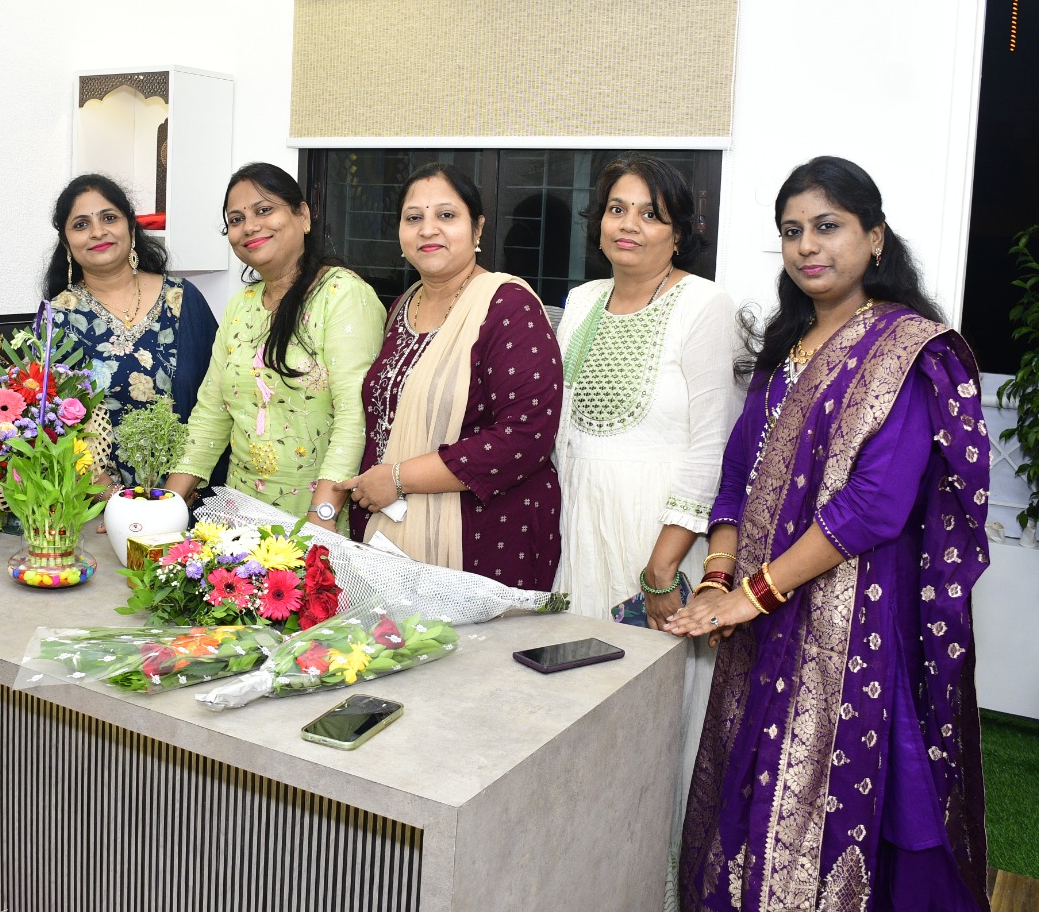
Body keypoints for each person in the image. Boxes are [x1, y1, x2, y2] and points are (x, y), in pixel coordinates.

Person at [666, 157, 991, 911]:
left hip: (853, 617)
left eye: (828, 226)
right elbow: (738, 472)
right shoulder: (786, 352)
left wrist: (754, 593)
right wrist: (718, 576)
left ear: (875, 238)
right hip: (756, 611)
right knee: (751, 782)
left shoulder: (906, 351)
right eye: (791, 231)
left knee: (839, 793)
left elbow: (875, 505)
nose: (808, 246)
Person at [549, 155, 743, 909]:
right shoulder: (583, 299)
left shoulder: (705, 304)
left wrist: (663, 569)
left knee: (657, 723)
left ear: (679, 232)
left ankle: (651, 886)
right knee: (579, 707)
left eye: (650, 213)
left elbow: (710, 443)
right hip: (582, 528)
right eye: (618, 209)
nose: (629, 225)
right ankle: (585, 873)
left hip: (659, 538)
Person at [342, 163, 563, 590]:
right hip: (394, 531)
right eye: (414, 218)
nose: (428, 229)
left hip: (486, 536)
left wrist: (398, 478)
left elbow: (525, 436)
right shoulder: (402, 306)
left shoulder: (508, 305)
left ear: (477, 230)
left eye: (446, 215)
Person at [165, 163, 385, 530]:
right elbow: (211, 413)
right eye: (236, 219)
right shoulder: (241, 305)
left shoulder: (342, 294)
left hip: (319, 518)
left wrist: (322, 518)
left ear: (303, 216)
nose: (249, 226)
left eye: (264, 210)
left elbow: (355, 414)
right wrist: (166, 506)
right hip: (238, 517)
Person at [44, 173, 216, 488]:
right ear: (67, 242)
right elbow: (49, 426)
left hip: (191, 497)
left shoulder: (183, 301)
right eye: (81, 224)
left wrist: (180, 492)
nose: (97, 232)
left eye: (109, 218)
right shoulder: (57, 317)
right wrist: (110, 500)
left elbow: (220, 402)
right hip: (98, 508)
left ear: (131, 227)